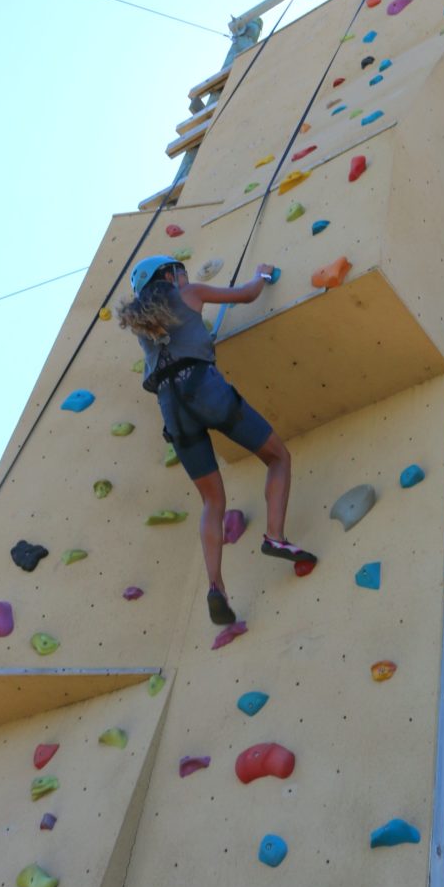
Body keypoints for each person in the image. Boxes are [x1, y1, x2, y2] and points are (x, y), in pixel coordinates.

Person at [118, 255, 316, 626]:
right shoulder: (190, 293)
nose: (185, 277)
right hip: (202, 386)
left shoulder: (141, 325)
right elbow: (246, 294)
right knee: (278, 457)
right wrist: (262, 273)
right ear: (168, 276)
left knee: (212, 500)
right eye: (181, 272)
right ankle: (274, 536)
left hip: (170, 407)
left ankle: (216, 587)